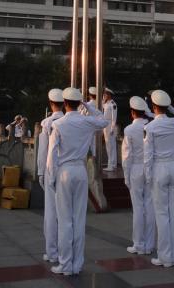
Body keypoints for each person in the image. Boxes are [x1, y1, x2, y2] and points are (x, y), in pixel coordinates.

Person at [46, 86, 108, 276]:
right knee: (79, 220)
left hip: (64, 171)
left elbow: (51, 156)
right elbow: (104, 120)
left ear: (64, 103)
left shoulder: (58, 124)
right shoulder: (86, 121)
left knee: (65, 220)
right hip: (80, 170)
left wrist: (51, 178)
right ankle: (77, 264)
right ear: (78, 103)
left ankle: (65, 264)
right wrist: (88, 106)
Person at [144, 89, 174, 268]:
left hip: (159, 168)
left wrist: (148, 177)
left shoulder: (150, 127)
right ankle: (173, 255)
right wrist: (172, 108)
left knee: (162, 214)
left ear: (153, 106)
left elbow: (148, 156)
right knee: (173, 213)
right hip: (173, 167)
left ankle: (165, 257)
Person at [122, 95, 155, 256]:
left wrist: (126, 176)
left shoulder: (129, 130)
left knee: (138, 207)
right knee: (149, 206)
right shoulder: (150, 127)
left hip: (135, 168)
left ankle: (138, 243)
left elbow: (126, 156)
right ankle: (149, 244)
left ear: (132, 112)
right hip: (149, 167)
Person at [37, 88, 64, 264]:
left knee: (51, 212)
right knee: (66, 214)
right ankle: (65, 252)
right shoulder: (68, 121)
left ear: (51, 103)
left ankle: (52, 251)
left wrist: (40, 172)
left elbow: (43, 151)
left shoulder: (47, 123)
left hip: (50, 169)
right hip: (67, 169)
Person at [102, 88, 118, 171]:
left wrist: (112, 128)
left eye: (106, 94)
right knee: (109, 145)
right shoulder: (106, 103)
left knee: (110, 146)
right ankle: (113, 163)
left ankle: (111, 165)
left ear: (109, 94)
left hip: (110, 125)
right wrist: (103, 99)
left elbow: (114, 118)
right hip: (105, 125)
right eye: (104, 94)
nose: (104, 95)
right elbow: (101, 106)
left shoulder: (113, 104)